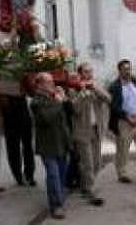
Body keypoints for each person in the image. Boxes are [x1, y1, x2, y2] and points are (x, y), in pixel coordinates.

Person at [31, 72, 73, 220]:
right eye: (48, 82)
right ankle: (56, 205)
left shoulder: (55, 97)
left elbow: (70, 112)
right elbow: (46, 118)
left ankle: (58, 198)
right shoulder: (36, 101)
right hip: (48, 145)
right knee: (53, 175)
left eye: (52, 81)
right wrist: (58, 103)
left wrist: (65, 100)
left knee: (61, 174)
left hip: (61, 142)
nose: (53, 84)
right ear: (40, 85)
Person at [68, 63, 111, 206]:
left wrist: (95, 88)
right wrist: (82, 91)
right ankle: (91, 191)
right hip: (81, 131)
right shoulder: (74, 89)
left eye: (91, 71)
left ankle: (85, 185)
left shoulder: (95, 87)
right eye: (86, 72)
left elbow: (108, 99)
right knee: (87, 162)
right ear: (80, 74)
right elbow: (74, 109)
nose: (90, 74)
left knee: (97, 162)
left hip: (96, 130)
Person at [108, 59, 136, 183]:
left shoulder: (135, 82)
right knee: (123, 149)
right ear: (119, 71)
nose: (128, 71)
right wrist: (127, 116)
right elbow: (114, 106)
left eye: (129, 69)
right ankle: (122, 173)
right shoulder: (114, 86)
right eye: (125, 69)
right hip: (123, 122)